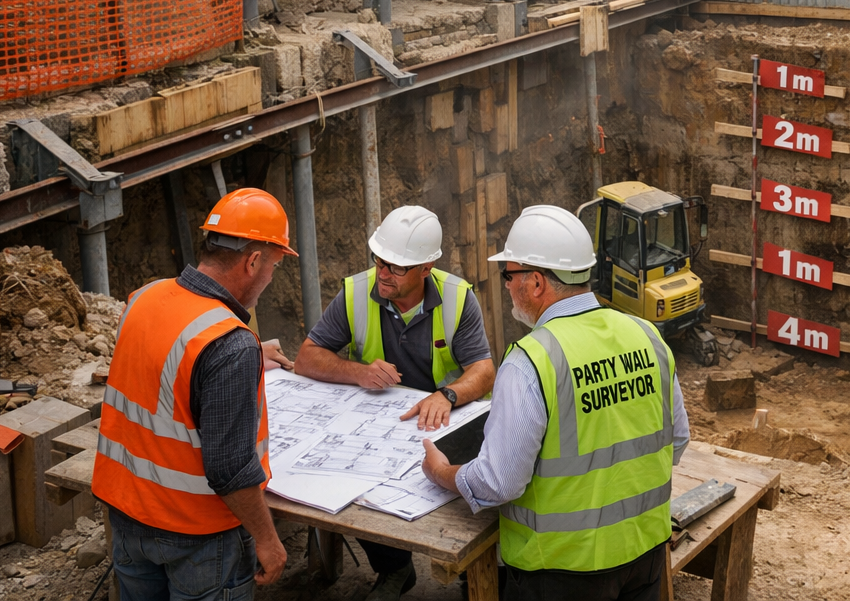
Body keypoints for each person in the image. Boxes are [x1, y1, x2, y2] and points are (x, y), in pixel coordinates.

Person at [418, 205, 688, 601]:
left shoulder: (532, 360)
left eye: (509, 275)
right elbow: (677, 441)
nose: (507, 286)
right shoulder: (645, 334)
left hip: (563, 571)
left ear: (538, 282)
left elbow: (499, 482)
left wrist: (442, 472)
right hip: (645, 553)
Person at [95, 188, 298, 601]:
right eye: (274, 266)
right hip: (196, 534)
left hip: (127, 515)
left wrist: (240, 358)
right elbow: (230, 468)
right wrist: (268, 539)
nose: (271, 277)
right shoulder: (229, 345)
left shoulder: (145, 297)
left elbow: (163, 365)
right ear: (253, 260)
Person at [293, 205, 495, 601]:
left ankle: (475, 578)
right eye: (380, 261)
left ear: (426, 268)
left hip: (446, 425)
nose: (383, 273)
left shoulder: (457, 298)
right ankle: (395, 568)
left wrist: (448, 395)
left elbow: (485, 371)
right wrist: (357, 371)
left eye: (396, 267)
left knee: (467, 499)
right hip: (381, 424)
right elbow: (306, 358)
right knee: (352, 492)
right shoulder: (356, 292)